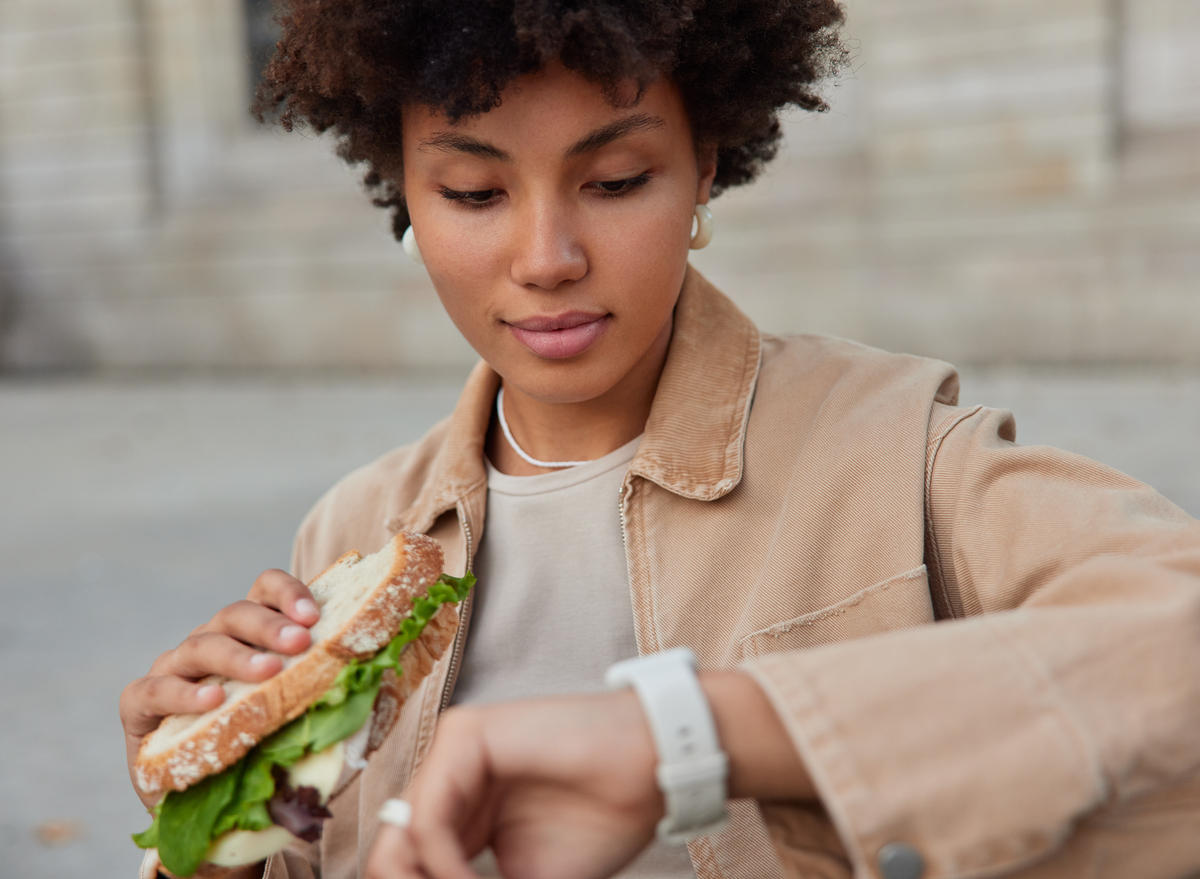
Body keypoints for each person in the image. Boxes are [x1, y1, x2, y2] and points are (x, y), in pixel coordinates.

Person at [119, 1, 1200, 878]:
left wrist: (683, 735)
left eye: (617, 181)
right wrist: (222, 836)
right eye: (474, 190)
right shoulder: (353, 529)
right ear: (405, 192)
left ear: (703, 169)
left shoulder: (902, 452)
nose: (547, 256)